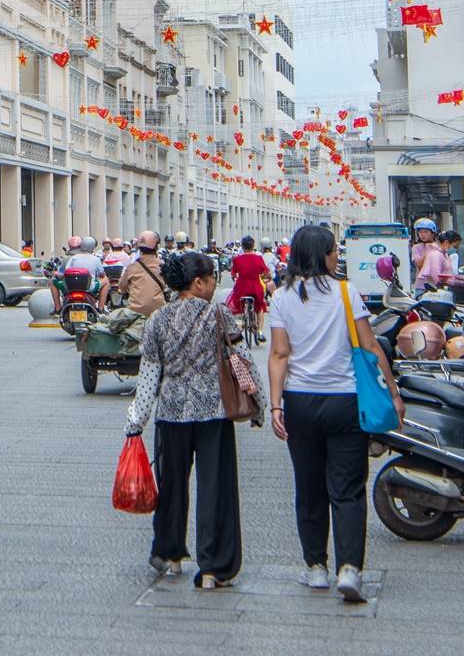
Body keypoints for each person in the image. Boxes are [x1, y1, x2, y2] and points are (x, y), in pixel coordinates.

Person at [267, 224, 403, 603]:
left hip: (300, 403)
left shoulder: (282, 297)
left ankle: (315, 568)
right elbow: (370, 344)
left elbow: (279, 354)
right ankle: (349, 569)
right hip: (345, 402)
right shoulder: (347, 292)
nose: (336, 257)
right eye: (332, 251)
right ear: (321, 255)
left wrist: (276, 403)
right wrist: (393, 392)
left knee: (309, 488)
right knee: (347, 489)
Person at [124, 251, 247, 589]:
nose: (214, 287)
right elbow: (242, 361)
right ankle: (212, 567)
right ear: (198, 282)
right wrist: (261, 407)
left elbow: (149, 376)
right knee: (215, 488)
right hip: (213, 414)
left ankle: (169, 553)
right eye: (211, 280)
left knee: (172, 486)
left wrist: (136, 421)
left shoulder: (158, 320)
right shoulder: (220, 315)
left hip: (172, 414)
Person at [225, 235, 271, 341]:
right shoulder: (259, 258)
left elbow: (233, 274)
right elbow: (266, 272)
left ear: (242, 246)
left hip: (241, 288)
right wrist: (267, 277)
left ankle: (241, 322)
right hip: (255, 287)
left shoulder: (237, 259)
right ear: (253, 245)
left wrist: (234, 279)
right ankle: (260, 332)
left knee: (237, 304)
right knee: (259, 308)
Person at [119, 231, 169, 316]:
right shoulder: (162, 265)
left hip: (135, 312)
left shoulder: (132, 267)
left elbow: (122, 287)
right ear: (156, 247)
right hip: (158, 310)